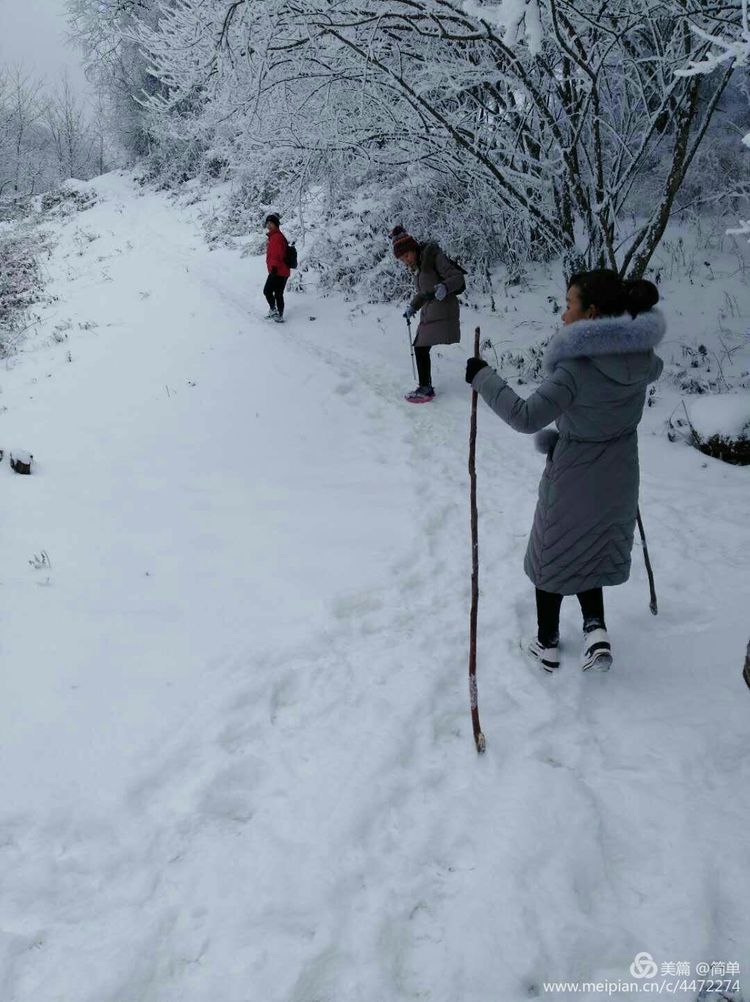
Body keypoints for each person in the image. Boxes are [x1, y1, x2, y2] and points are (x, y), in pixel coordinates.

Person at [465, 269, 664, 673]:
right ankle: (596, 631)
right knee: (590, 548)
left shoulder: (575, 370)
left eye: (569, 305)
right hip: (620, 475)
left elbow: (525, 416)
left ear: (591, 313)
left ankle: (547, 644)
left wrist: (482, 377)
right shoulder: (643, 360)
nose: (563, 315)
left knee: (551, 556)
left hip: (575, 476)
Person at [391, 225, 465, 403]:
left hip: (443, 308)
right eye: (401, 259)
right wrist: (413, 307)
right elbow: (425, 292)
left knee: (421, 346)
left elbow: (458, 278)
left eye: (406, 255)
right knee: (420, 346)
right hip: (430, 311)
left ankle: (426, 388)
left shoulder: (432, 257)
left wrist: (445, 286)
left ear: (413, 248)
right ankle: (426, 387)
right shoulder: (418, 266)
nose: (405, 260)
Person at [263, 213, 290, 323]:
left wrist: (273, 268)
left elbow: (277, 254)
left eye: (271, 223)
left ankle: (275, 311)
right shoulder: (276, 236)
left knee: (267, 291)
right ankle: (278, 314)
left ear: (276, 224)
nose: (269, 225)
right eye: (267, 223)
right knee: (278, 293)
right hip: (282, 270)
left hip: (278, 270)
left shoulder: (276, 237)